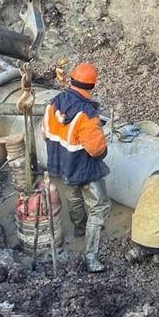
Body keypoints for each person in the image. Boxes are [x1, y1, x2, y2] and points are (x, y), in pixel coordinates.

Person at [41, 62, 110, 273]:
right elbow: (97, 150)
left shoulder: (55, 102)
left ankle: (79, 229)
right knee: (100, 207)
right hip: (83, 167)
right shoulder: (87, 113)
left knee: (73, 197)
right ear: (92, 85)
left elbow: (45, 131)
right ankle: (91, 256)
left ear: (71, 80)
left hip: (61, 163)